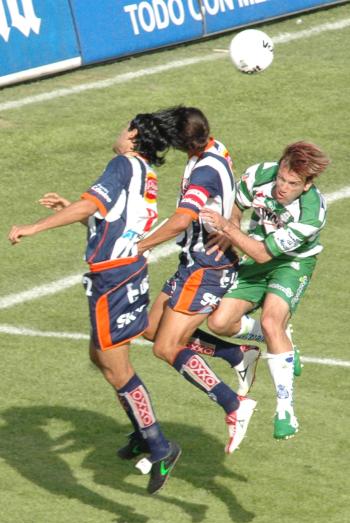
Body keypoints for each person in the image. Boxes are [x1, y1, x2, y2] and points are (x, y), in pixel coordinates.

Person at [8, 111, 182, 495]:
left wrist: (33, 227)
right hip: (128, 270)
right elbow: (114, 221)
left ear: (133, 135)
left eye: (124, 127)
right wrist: (72, 210)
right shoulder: (147, 175)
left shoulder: (122, 164)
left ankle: (159, 446)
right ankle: (142, 431)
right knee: (98, 355)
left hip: (113, 279)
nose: (118, 133)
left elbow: (92, 205)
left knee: (116, 366)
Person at [134, 106, 259, 456]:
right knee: (150, 328)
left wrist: (139, 246)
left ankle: (234, 404)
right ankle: (237, 353)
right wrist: (229, 225)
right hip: (193, 263)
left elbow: (180, 220)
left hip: (207, 269)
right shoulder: (217, 149)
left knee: (166, 347)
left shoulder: (203, 171)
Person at [200, 141, 330, 440]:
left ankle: (286, 410)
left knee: (273, 321)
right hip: (253, 249)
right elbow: (237, 204)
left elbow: (263, 255)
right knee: (219, 323)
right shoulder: (259, 174)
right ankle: (284, 341)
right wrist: (230, 229)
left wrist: (229, 230)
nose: (282, 187)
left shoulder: (311, 213)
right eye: (282, 178)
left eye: (292, 184)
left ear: (308, 185)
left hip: (291, 264)